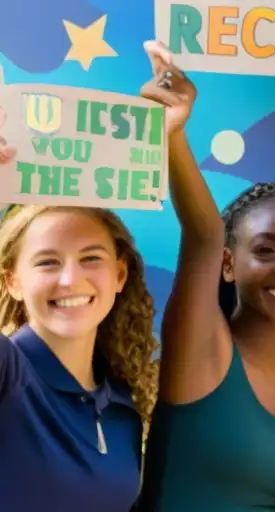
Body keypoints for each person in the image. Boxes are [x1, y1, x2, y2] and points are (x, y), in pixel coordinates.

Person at [135, 42, 275, 512]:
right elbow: (205, 235)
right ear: (228, 264)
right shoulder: (201, 346)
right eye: (266, 250)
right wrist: (173, 135)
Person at [0, 175, 158, 509]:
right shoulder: (8, 372)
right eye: (47, 262)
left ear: (119, 275)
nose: (70, 280)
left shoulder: (122, 407)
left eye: (90, 258)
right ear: (12, 282)